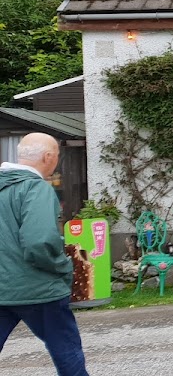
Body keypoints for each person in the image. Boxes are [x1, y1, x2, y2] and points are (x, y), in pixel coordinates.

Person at [0, 132, 89, 375]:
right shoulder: (36, 188)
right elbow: (39, 242)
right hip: (39, 290)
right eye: (57, 156)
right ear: (48, 156)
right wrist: (63, 266)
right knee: (65, 348)